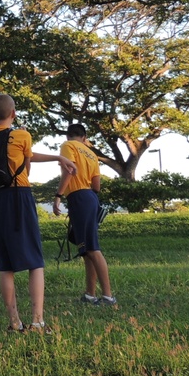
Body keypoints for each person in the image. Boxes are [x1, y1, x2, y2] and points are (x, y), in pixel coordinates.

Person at [0, 94, 75, 333]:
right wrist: (57, 156)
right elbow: (28, 168)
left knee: (5, 264)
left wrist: (56, 156)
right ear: (13, 113)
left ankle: (14, 322)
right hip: (19, 196)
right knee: (35, 261)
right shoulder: (22, 135)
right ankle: (37, 321)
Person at [53, 124, 116, 306]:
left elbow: (69, 170)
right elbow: (97, 186)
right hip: (90, 196)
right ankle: (90, 294)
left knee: (93, 249)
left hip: (79, 197)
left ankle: (108, 296)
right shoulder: (91, 153)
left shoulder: (68, 146)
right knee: (87, 249)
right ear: (84, 136)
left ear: (68, 135)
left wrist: (58, 195)